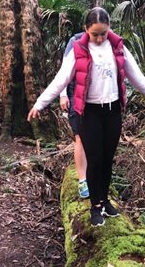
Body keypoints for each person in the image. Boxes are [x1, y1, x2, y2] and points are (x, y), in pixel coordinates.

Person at [27, 7, 145, 227]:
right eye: (95, 34)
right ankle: (95, 207)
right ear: (86, 29)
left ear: (109, 27)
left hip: (112, 111)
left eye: (103, 33)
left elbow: (135, 75)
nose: (99, 38)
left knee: (107, 160)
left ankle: (105, 201)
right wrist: (40, 103)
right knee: (94, 160)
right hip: (89, 112)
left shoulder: (118, 47)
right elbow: (60, 80)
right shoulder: (78, 49)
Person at [59, 32, 89, 199]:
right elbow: (65, 69)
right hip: (75, 92)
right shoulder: (75, 41)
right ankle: (83, 180)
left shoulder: (108, 41)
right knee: (80, 136)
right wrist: (63, 94)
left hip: (96, 95)